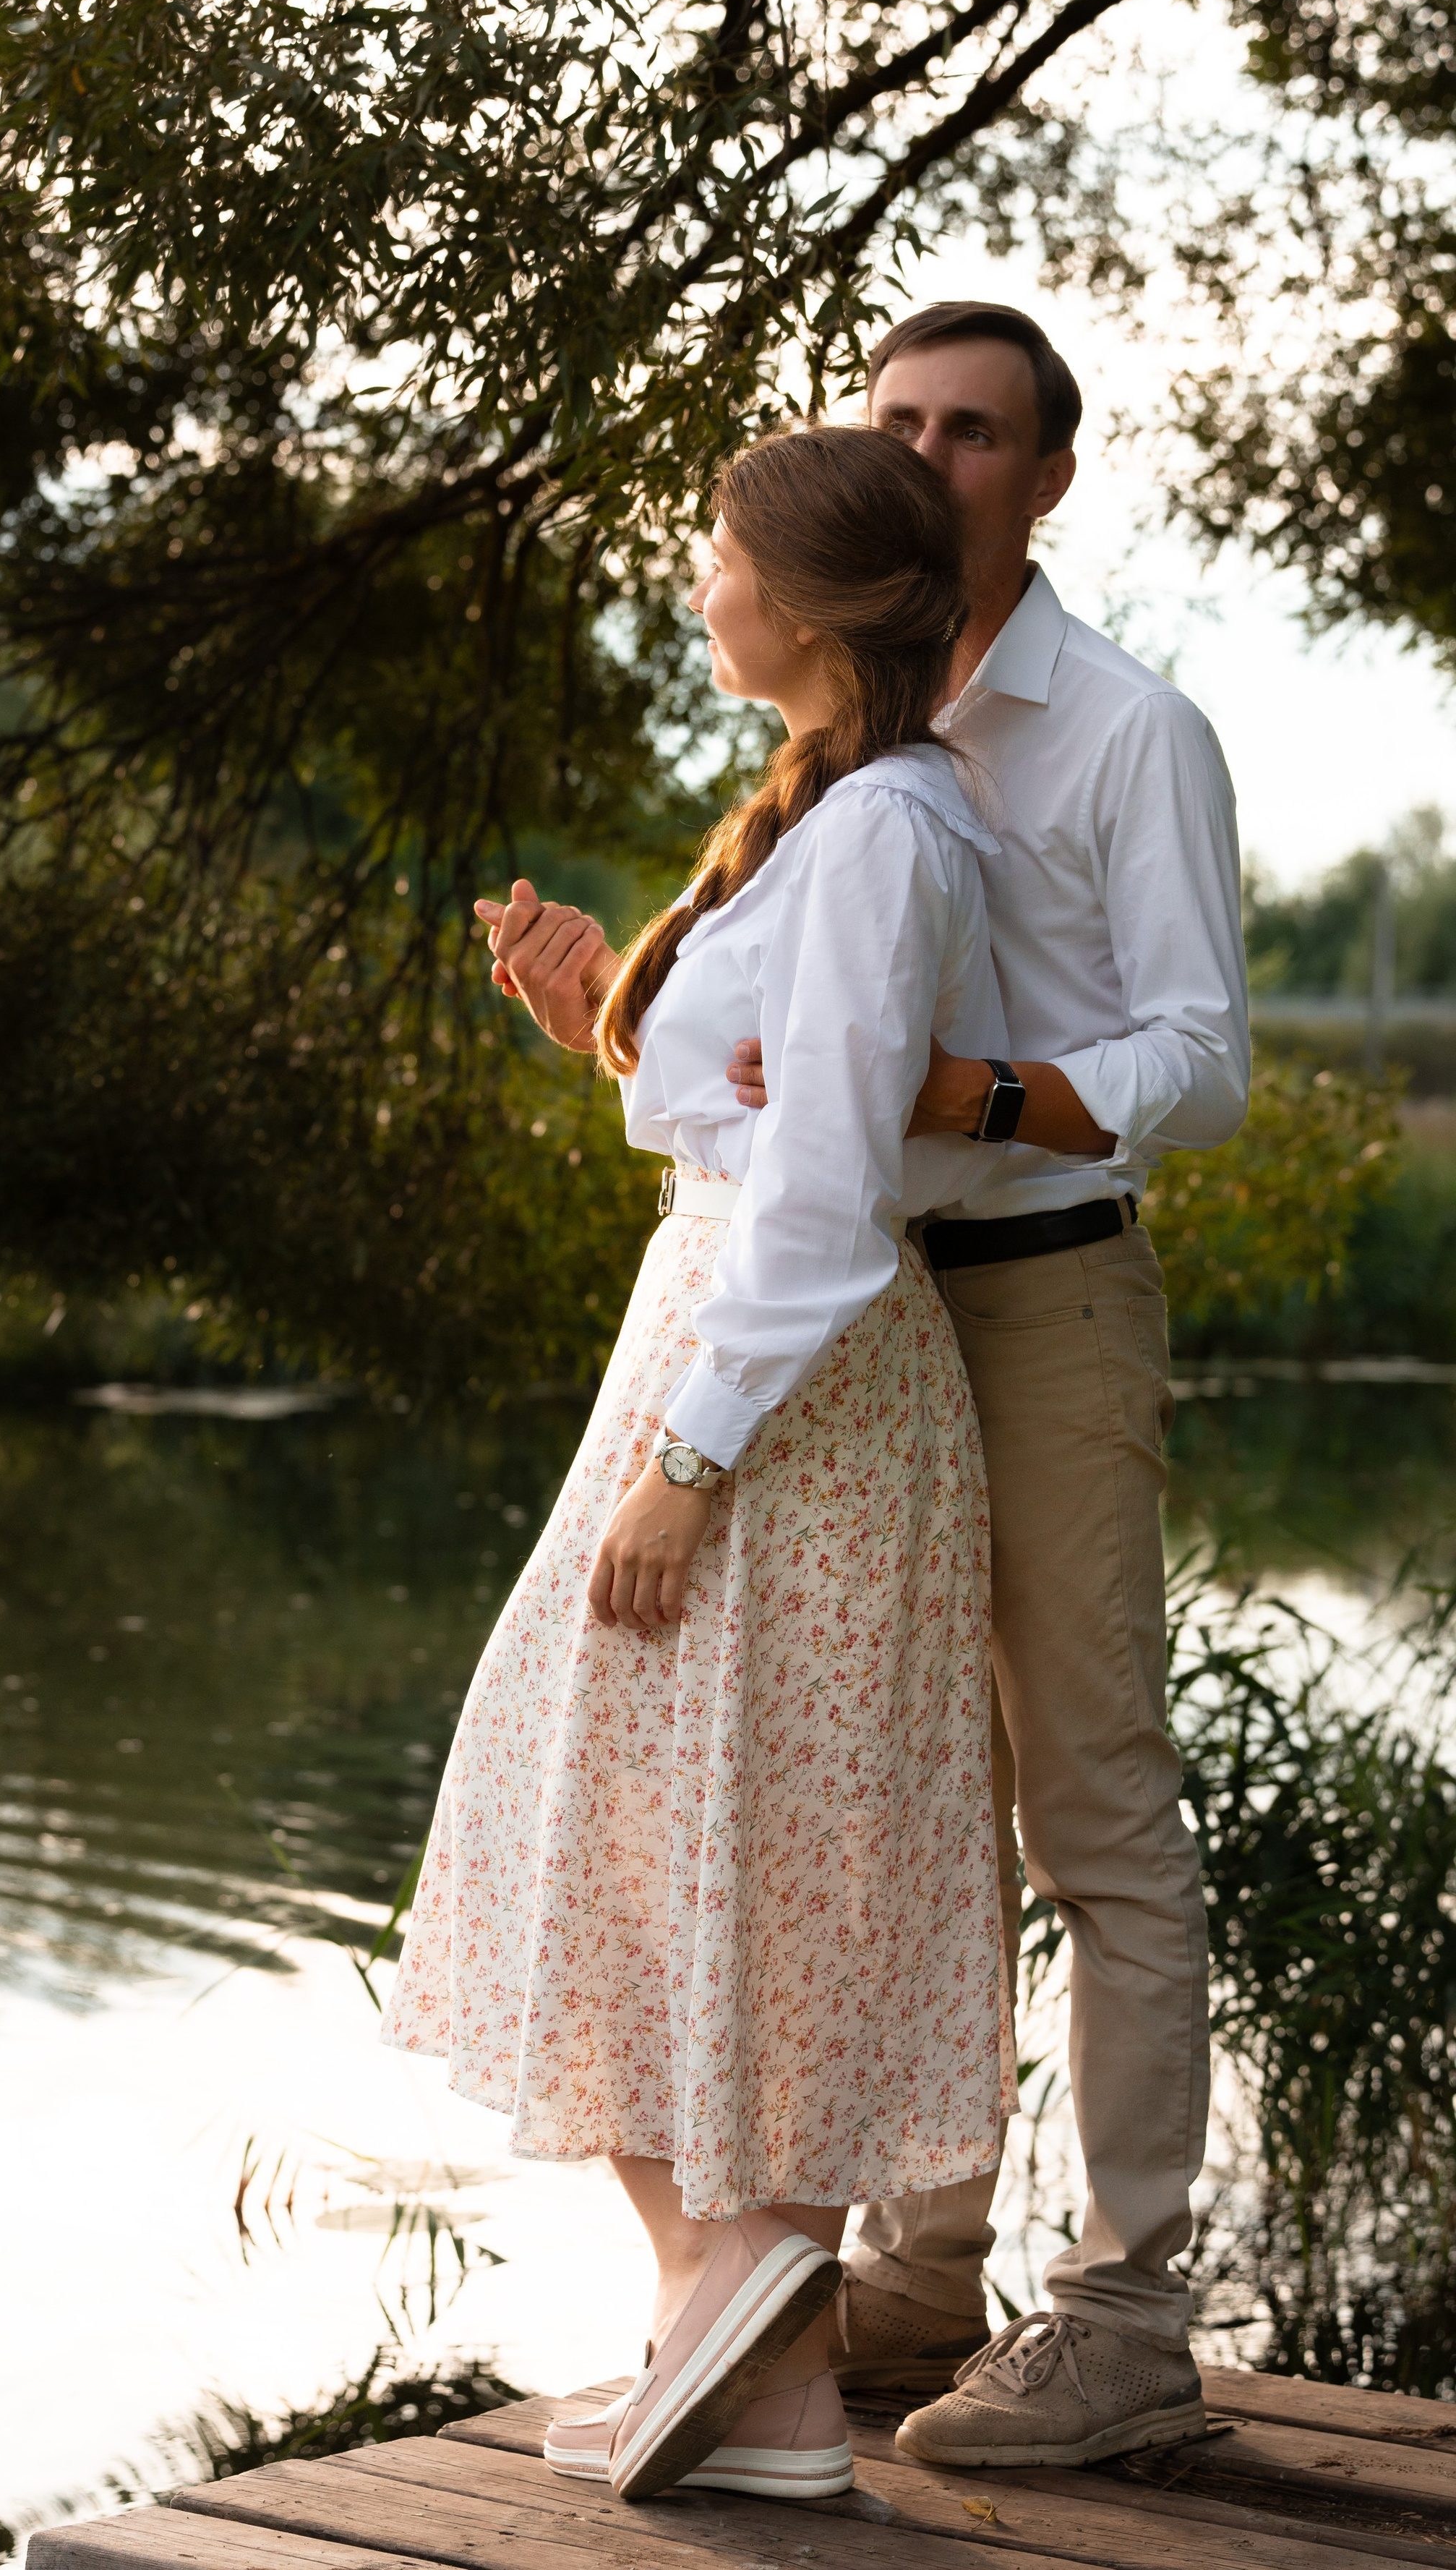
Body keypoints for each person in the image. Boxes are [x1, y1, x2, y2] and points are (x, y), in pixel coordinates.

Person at [489, 303, 1249, 2472]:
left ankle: (1123, 2315)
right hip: (864, 1311)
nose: (932, 450)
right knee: (900, 1796)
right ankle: (883, 2289)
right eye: (898, 420)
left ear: (1044, 475)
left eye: (974, 430)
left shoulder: (1120, 731)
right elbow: (793, 1102)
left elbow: (1199, 1059)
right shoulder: (848, 760)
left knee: (1087, 1799)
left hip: (1038, 1290)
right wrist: (613, 1028)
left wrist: (979, 1087)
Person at [381, 424, 1016, 2506]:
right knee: (683, 1835)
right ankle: (743, 2368)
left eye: (718, 556)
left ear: (816, 605)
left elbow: (824, 1201)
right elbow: (757, 1119)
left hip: (777, 1397)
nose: (696, 583)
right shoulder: (830, 818)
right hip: (748, 1363)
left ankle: (738, 2317)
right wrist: (607, 1015)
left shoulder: (885, 835)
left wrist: (686, 1462)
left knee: (645, 1820)